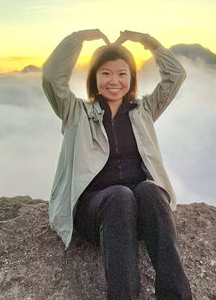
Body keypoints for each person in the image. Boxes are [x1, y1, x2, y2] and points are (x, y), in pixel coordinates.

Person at [42, 28, 192, 300]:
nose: (115, 81)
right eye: (106, 73)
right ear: (95, 78)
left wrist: (148, 41)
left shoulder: (143, 111)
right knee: (119, 196)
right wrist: (78, 39)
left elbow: (176, 76)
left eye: (122, 74)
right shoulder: (75, 113)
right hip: (96, 212)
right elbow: (51, 77)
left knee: (151, 190)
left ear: (131, 78)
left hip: (136, 214)